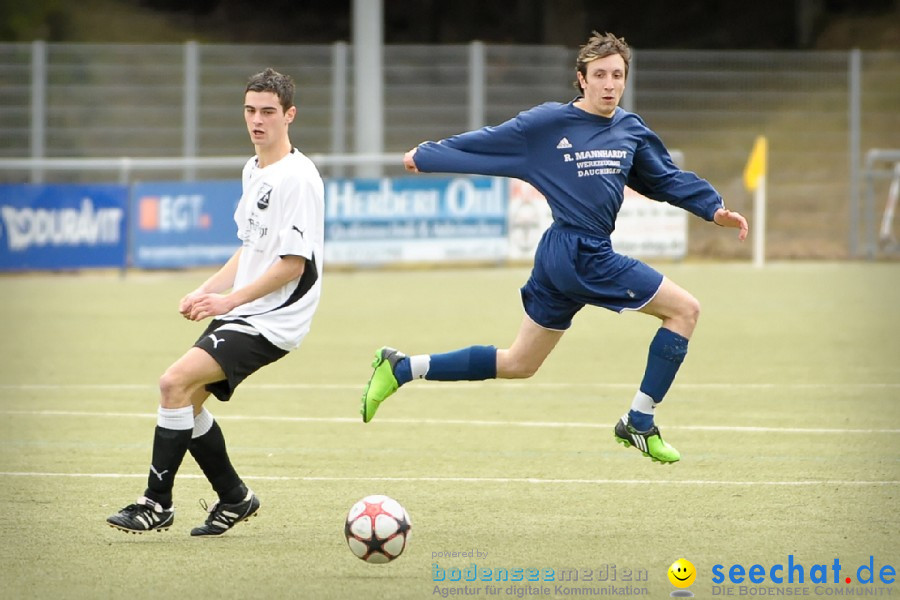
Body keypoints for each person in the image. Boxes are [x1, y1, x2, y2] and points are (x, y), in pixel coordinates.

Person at [360, 32, 748, 464]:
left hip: (565, 256)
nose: (609, 84)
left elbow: (665, 179)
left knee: (519, 362)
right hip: (579, 251)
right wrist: (429, 155)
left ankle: (400, 367)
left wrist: (713, 208)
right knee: (685, 310)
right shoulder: (546, 125)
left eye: (617, 75)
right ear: (581, 80)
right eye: (599, 75)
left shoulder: (630, 129)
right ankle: (639, 421)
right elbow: (489, 140)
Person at [107, 68, 324, 534]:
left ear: (290, 115)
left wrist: (227, 302)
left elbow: (292, 265)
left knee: (172, 384)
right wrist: (208, 289)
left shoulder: (299, 178)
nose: (257, 120)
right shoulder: (254, 169)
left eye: (268, 112)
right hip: (247, 310)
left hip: (274, 319)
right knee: (186, 401)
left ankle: (156, 502)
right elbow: (250, 248)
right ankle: (235, 497)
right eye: (250, 110)